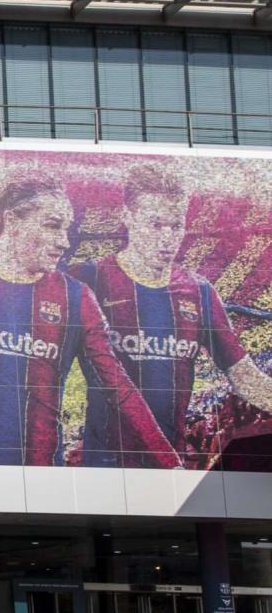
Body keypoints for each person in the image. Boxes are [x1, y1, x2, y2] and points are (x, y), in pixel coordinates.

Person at [0, 173, 179, 467]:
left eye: (66, 229)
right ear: (12, 221)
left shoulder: (76, 296)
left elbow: (118, 387)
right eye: (52, 226)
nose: (64, 241)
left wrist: (170, 462)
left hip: (38, 475)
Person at [71, 164, 272, 467]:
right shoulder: (90, 279)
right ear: (128, 217)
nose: (167, 238)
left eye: (175, 225)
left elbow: (245, 378)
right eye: (155, 225)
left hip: (169, 464)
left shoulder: (198, 291)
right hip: (104, 465)